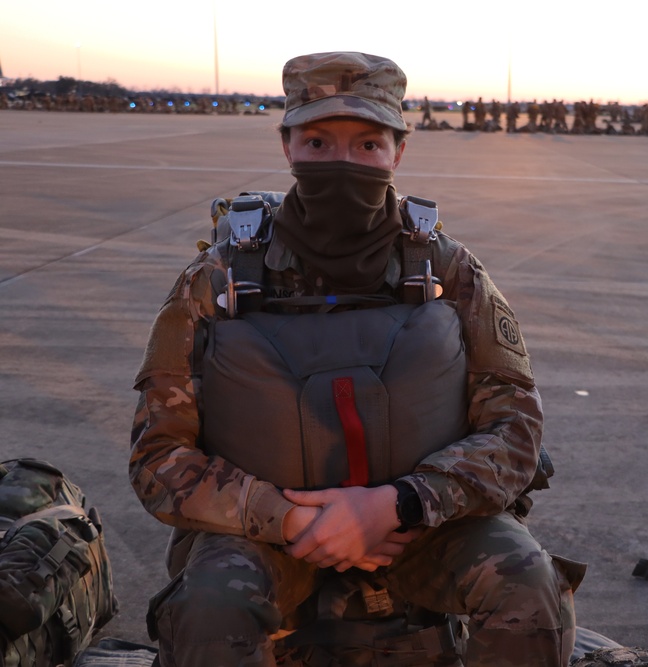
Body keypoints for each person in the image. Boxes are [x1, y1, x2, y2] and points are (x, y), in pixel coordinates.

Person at [129, 51, 583, 667]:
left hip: (423, 525)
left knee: (529, 584)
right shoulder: (218, 279)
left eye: (367, 144)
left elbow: (515, 431)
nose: (343, 162)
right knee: (210, 605)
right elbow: (160, 458)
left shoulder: (448, 271)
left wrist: (397, 505)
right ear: (286, 144)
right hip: (267, 534)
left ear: (399, 150)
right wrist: (288, 519)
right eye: (318, 141)